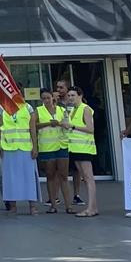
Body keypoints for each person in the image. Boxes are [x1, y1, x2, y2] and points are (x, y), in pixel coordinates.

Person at [62, 86, 98, 216]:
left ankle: (91, 208)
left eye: (73, 95)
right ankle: (93, 207)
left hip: (85, 148)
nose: (70, 98)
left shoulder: (85, 109)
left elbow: (90, 128)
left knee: (88, 178)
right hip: (75, 147)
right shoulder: (72, 110)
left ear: (80, 95)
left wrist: (72, 126)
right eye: (69, 95)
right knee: (85, 177)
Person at [35, 83, 69, 213]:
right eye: (44, 98)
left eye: (48, 98)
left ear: (52, 98)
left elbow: (68, 123)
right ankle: (53, 204)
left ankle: (68, 205)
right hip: (47, 147)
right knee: (50, 176)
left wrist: (60, 123)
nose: (46, 100)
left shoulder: (61, 110)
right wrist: (48, 123)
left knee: (64, 176)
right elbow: (34, 126)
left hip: (61, 145)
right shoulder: (38, 111)